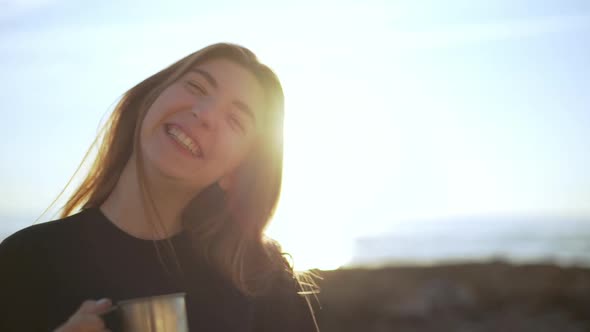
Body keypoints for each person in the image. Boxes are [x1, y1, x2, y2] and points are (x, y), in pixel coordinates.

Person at [0, 43, 320, 331]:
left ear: (234, 173)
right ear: (149, 100)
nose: (204, 113)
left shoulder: (261, 280)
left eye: (235, 120)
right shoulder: (23, 262)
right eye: (196, 86)